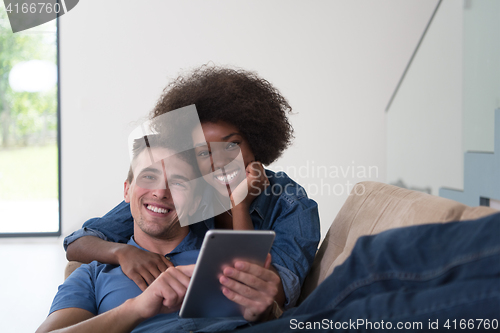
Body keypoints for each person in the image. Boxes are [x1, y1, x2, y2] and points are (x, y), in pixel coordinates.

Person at [63, 66, 321, 310]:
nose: (219, 161)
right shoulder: (180, 191)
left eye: (231, 145)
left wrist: (238, 204)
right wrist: (123, 252)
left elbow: (268, 294)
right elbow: (78, 243)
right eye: (202, 152)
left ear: (257, 144)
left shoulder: (289, 203)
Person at [37, 135, 282, 333]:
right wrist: (137, 309)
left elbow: (264, 316)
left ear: (196, 203)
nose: (160, 191)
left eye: (178, 183)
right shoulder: (91, 276)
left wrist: (262, 312)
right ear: (127, 191)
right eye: (149, 176)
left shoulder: (225, 259)